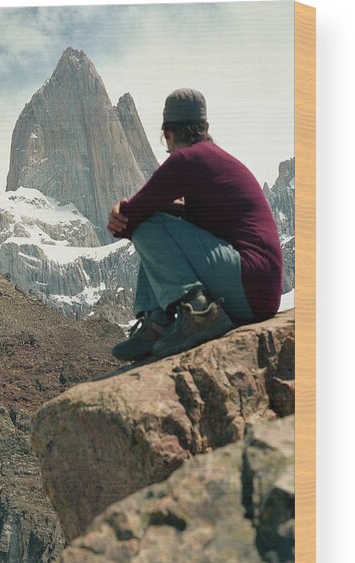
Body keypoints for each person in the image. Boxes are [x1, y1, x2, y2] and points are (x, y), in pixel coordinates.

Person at [107, 88, 283, 361]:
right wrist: (155, 208)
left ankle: (184, 317)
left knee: (147, 225)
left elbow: (128, 223)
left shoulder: (185, 160)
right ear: (205, 127)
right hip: (261, 293)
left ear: (167, 133)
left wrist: (123, 211)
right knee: (153, 219)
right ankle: (158, 322)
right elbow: (202, 217)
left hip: (248, 284)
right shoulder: (213, 157)